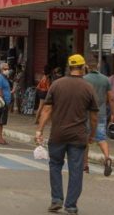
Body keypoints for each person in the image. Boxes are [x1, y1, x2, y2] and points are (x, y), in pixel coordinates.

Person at [36, 54, 99, 214]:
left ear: (69, 67)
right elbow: (93, 116)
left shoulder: (57, 85)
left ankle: (57, 199)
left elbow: (47, 110)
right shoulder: (88, 88)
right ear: (83, 67)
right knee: (76, 170)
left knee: (55, 165)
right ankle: (71, 205)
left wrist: (40, 130)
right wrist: (92, 134)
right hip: (78, 136)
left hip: (58, 135)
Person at [83, 56, 114, 176]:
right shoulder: (105, 79)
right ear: (98, 66)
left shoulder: (84, 79)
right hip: (101, 112)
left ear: (86, 66)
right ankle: (107, 158)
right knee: (101, 138)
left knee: (85, 140)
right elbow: (111, 98)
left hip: (86, 113)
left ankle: (85, 166)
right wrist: (113, 114)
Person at [0, 63, 12, 145]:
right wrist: (3, 102)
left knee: (2, 121)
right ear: (1, 70)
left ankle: (0, 137)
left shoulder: (5, 78)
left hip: (6, 102)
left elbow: (6, 90)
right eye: (5, 69)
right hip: (2, 103)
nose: (7, 70)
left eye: (7, 69)